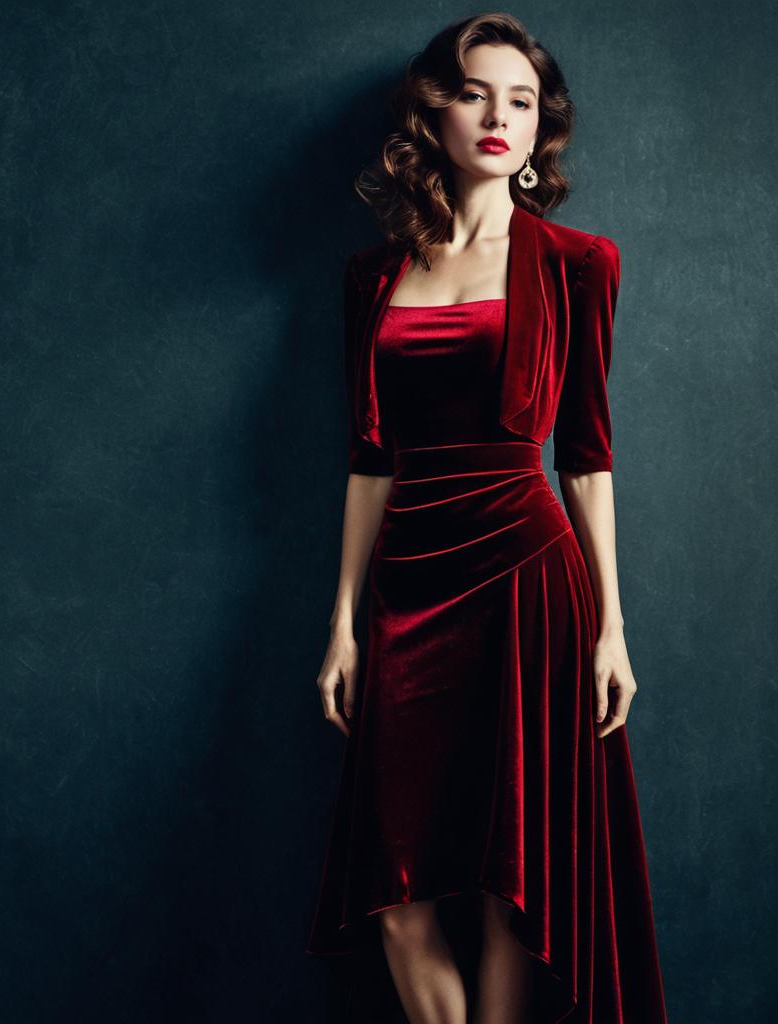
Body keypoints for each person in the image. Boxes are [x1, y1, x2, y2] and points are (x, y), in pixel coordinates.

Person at [305, 14, 669, 1024]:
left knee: (516, 884)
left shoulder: (577, 263)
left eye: (521, 99)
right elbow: (368, 457)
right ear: (436, 111)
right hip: (405, 585)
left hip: (526, 576)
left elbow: (588, 457)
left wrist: (611, 625)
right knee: (397, 897)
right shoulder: (370, 278)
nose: (500, 115)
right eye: (476, 93)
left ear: (538, 122)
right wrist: (341, 620)